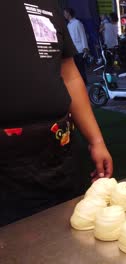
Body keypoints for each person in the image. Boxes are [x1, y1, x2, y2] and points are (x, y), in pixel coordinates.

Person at [0, 1, 113, 227]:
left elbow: (69, 75)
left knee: (72, 229)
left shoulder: (48, 5)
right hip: (7, 164)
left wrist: (96, 140)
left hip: (60, 153)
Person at [64, 7, 89, 85]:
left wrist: (85, 48)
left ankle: (84, 83)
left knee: (81, 69)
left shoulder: (78, 23)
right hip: (73, 50)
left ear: (69, 13)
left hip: (80, 49)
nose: (64, 15)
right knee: (76, 69)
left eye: (65, 13)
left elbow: (83, 35)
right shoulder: (68, 25)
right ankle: (80, 83)